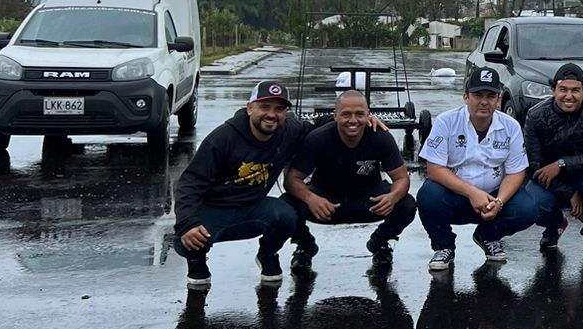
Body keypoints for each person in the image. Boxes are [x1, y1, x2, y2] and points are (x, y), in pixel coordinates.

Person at [174, 80, 317, 290]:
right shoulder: (222, 138)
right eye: (264, 107)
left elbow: (323, 123)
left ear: (285, 113)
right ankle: (197, 263)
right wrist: (187, 223)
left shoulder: (290, 130)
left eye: (279, 109)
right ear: (250, 108)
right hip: (214, 208)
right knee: (185, 239)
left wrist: (365, 119)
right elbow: (190, 183)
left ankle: (267, 254)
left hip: (253, 207)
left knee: (287, 215)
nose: (271, 114)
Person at [281, 89, 417, 275]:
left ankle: (380, 243)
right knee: (285, 205)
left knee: (407, 203)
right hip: (326, 202)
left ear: (369, 115)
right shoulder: (317, 139)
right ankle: (305, 247)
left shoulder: (380, 136)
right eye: (346, 114)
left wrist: (392, 197)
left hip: (368, 200)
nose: (353, 120)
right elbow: (292, 179)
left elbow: (401, 178)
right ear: (335, 116)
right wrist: (310, 197)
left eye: (360, 114)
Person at [417, 65, 539, 270]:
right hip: (456, 196)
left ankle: (487, 236)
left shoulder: (511, 126)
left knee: (528, 209)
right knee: (428, 195)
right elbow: (434, 168)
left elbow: (516, 171)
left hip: (493, 199)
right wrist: (472, 193)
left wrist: (499, 202)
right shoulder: (446, 121)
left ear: (498, 100)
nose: (484, 101)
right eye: (477, 95)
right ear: (466, 97)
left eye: (491, 96)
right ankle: (443, 247)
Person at [520, 63, 583, 257]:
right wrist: (570, 193)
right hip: (548, 179)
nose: (569, 96)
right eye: (563, 89)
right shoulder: (536, 115)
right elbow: (534, 164)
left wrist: (562, 164)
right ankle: (554, 225)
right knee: (531, 202)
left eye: (575, 90)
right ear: (553, 90)